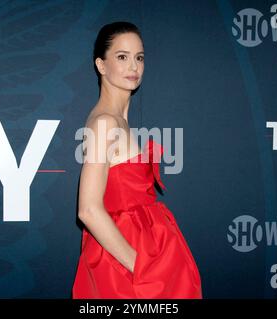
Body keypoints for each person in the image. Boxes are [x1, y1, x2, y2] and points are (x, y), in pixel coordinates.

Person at [72, 21, 202, 298]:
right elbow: (88, 210)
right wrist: (141, 266)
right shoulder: (105, 123)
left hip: (145, 252)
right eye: (122, 57)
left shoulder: (118, 120)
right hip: (124, 265)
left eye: (139, 58)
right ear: (101, 65)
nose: (134, 67)